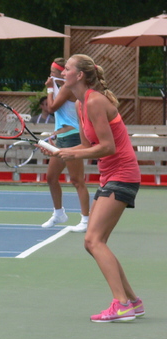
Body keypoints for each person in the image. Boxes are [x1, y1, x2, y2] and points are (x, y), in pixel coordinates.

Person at [44, 54, 143, 323]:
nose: (62, 72)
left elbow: (108, 147)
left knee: (92, 240)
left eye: (67, 69)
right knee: (95, 243)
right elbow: (88, 146)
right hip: (110, 175)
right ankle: (132, 301)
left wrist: (73, 156)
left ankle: (121, 305)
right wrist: (61, 150)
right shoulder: (79, 105)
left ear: (80, 76)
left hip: (122, 174)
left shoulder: (96, 101)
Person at [41, 58, 90, 231]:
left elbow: (51, 107)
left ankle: (85, 220)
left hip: (73, 137)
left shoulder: (67, 88)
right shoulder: (62, 87)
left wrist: (48, 89)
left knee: (77, 180)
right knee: (51, 177)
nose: (52, 75)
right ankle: (59, 213)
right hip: (62, 136)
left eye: (54, 72)